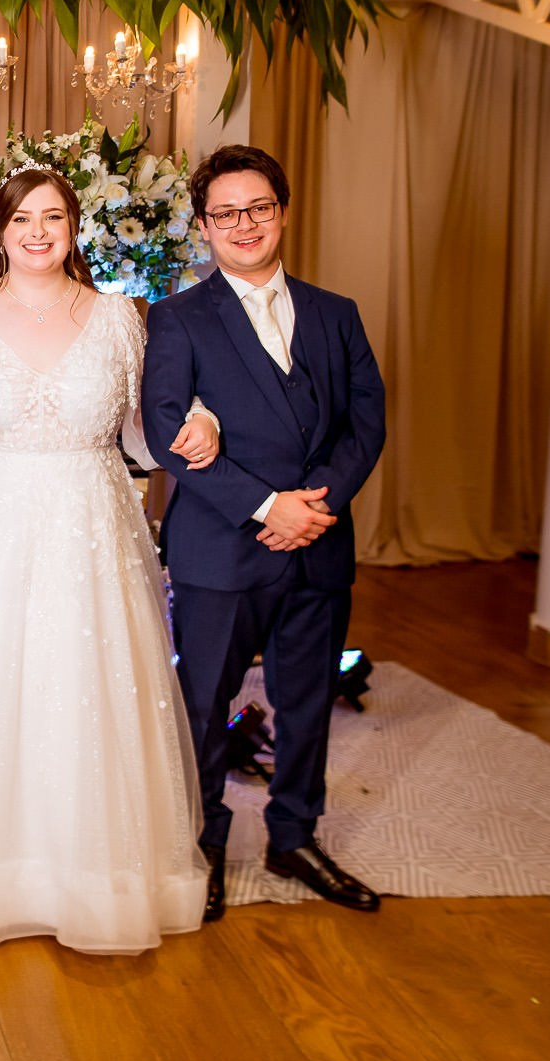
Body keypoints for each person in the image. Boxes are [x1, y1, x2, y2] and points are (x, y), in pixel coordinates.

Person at [0, 168, 220, 954]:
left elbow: (149, 429)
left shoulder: (117, 317)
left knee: (87, 685)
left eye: (54, 217)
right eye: (22, 219)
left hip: (90, 522)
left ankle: (92, 867)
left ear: (74, 226)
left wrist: (202, 421)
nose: (38, 232)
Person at [140, 143, 388, 920]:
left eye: (258, 208)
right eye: (225, 213)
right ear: (204, 227)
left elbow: (367, 420)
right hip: (222, 546)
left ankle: (294, 836)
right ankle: (203, 841)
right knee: (205, 703)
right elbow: (163, 423)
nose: (243, 224)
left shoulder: (333, 312)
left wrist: (315, 505)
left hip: (318, 542)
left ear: (281, 211)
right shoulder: (177, 317)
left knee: (307, 699)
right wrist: (264, 507)